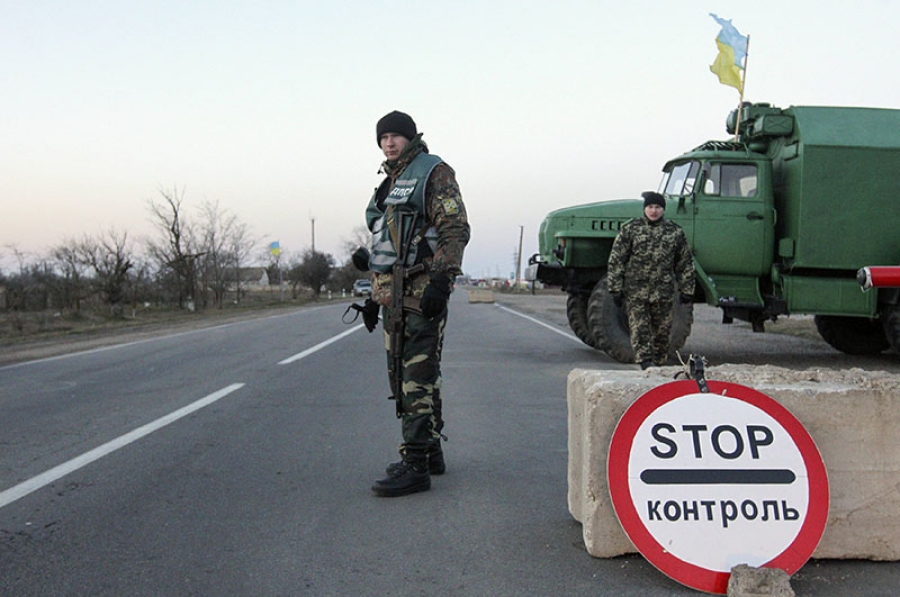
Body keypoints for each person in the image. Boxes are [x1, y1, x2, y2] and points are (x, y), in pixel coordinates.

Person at [357, 110, 470, 497]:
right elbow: (385, 244)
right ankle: (430, 451)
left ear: (410, 137)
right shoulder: (388, 183)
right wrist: (375, 296)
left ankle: (415, 464)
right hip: (394, 294)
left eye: (395, 136)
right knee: (405, 374)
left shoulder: (433, 172)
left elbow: (455, 228)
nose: (389, 143)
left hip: (423, 291)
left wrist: (442, 279)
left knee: (416, 377)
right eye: (383, 137)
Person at [607, 191, 694, 370]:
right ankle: (645, 363)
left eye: (658, 207)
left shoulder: (674, 232)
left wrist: (687, 290)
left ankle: (658, 363)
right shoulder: (631, 229)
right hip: (636, 291)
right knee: (640, 329)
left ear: (663, 209)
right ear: (644, 208)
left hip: (663, 291)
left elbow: (684, 263)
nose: (653, 211)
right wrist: (615, 288)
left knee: (662, 332)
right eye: (650, 207)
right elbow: (617, 259)